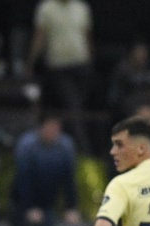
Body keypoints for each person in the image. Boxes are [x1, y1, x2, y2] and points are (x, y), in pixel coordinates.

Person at [9, 113, 81, 226]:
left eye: (56, 128)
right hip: (22, 203)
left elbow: (69, 179)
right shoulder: (27, 145)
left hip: (48, 204)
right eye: (49, 128)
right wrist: (29, 207)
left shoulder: (65, 146)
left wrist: (71, 207)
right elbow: (23, 179)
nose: (53, 132)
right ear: (41, 128)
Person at [26, 0, 93, 153]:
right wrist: (31, 61)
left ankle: (71, 148)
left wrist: (90, 60)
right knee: (72, 107)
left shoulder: (81, 7)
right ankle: (83, 150)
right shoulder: (46, 8)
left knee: (76, 109)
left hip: (81, 66)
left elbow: (87, 35)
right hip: (58, 67)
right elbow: (40, 36)